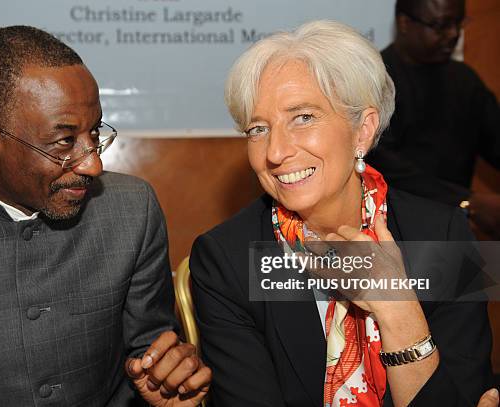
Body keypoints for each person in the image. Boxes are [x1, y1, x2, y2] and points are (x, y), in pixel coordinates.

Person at [0, 26, 210, 406]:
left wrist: (167, 376)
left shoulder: (130, 209)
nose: (92, 163)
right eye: (64, 141)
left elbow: (148, 351)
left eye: (94, 133)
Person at [190, 20, 493, 406]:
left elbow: (466, 394)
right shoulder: (225, 260)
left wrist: (397, 310)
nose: (275, 152)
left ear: (362, 131)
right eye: (258, 128)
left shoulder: (444, 236)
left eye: (303, 117)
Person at [367, 0, 500, 239]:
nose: (453, 34)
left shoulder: (464, 79)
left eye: (458, 24)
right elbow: (385, 165)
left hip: (456, 227)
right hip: (397, 230)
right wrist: (467, 201)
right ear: (405, 23)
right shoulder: (375, 82)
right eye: (440, 26)